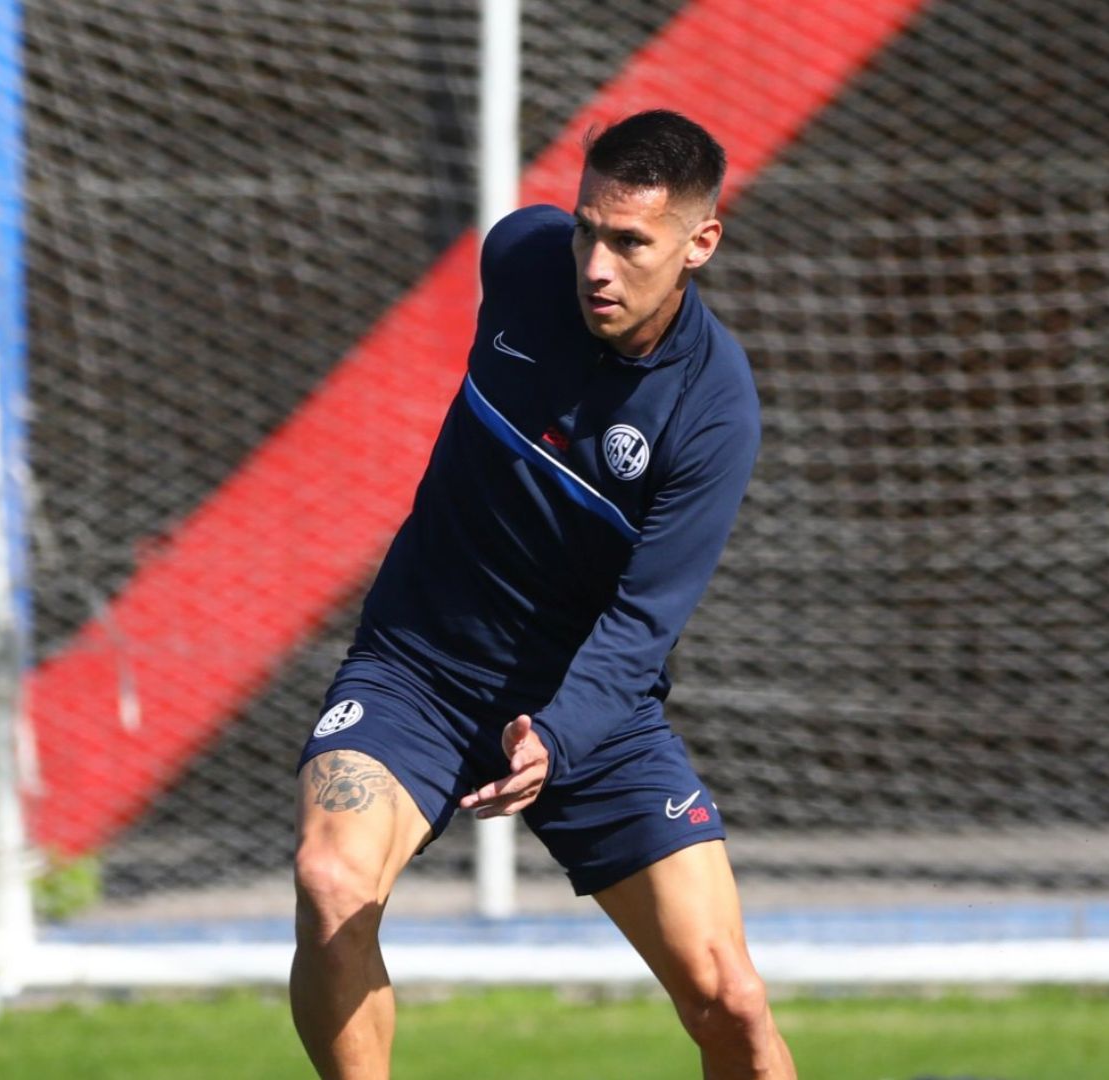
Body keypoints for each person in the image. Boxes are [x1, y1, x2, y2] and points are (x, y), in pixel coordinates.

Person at [289, 109, 794, 1079]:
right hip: (416, 674)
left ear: (700, 244)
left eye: (631, 243)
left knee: (731, 1000)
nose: (596, 266)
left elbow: (644, 621)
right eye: (586, 230)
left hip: (587, 706)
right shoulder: (522, 257)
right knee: (330, 881)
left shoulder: (714, 409)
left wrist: (558, 735)